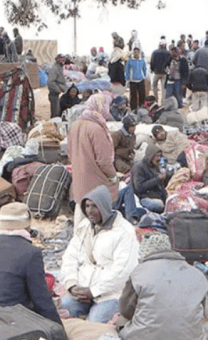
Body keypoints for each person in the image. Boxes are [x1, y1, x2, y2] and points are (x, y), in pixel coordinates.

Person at [119, 232, 208, 340]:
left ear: (144, 251)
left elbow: (126, 311)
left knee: (120, 320)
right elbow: (205, 313)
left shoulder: (139, 273)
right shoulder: (197, 274)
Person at [61, 185, 139, 323]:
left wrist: (94, 291)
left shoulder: (124, 231)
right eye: (87, 206)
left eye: (94, 206)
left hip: (111, 293)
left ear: (104, 207)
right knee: (63, 312)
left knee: (95, 324)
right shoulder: (84, 226)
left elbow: (123, 271)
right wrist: (71, 284)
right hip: (83, 287)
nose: (90, 211)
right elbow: (70, 257)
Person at [0, 203, 61, 324]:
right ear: (27, 226)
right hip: (14, 323)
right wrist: (58, 329)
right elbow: (41, 299)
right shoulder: (31, 253)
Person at [67, 92, 119, 225]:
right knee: (96, 218)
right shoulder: (96, 129)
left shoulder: (75, 125)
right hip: (95, 180)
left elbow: (69, 153)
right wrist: (113, 177)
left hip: (79, 177)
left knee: (81, 213)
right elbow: (104, 161)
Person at [131, 144, 168, 213]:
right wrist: (157, 179)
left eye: (160, 156)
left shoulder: (155, 165)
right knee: (159, 205)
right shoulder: (139, 167)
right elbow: (139, 187)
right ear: (151, 155)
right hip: (143, 197)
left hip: (155, 194)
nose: (159, 158)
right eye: (157, 156)